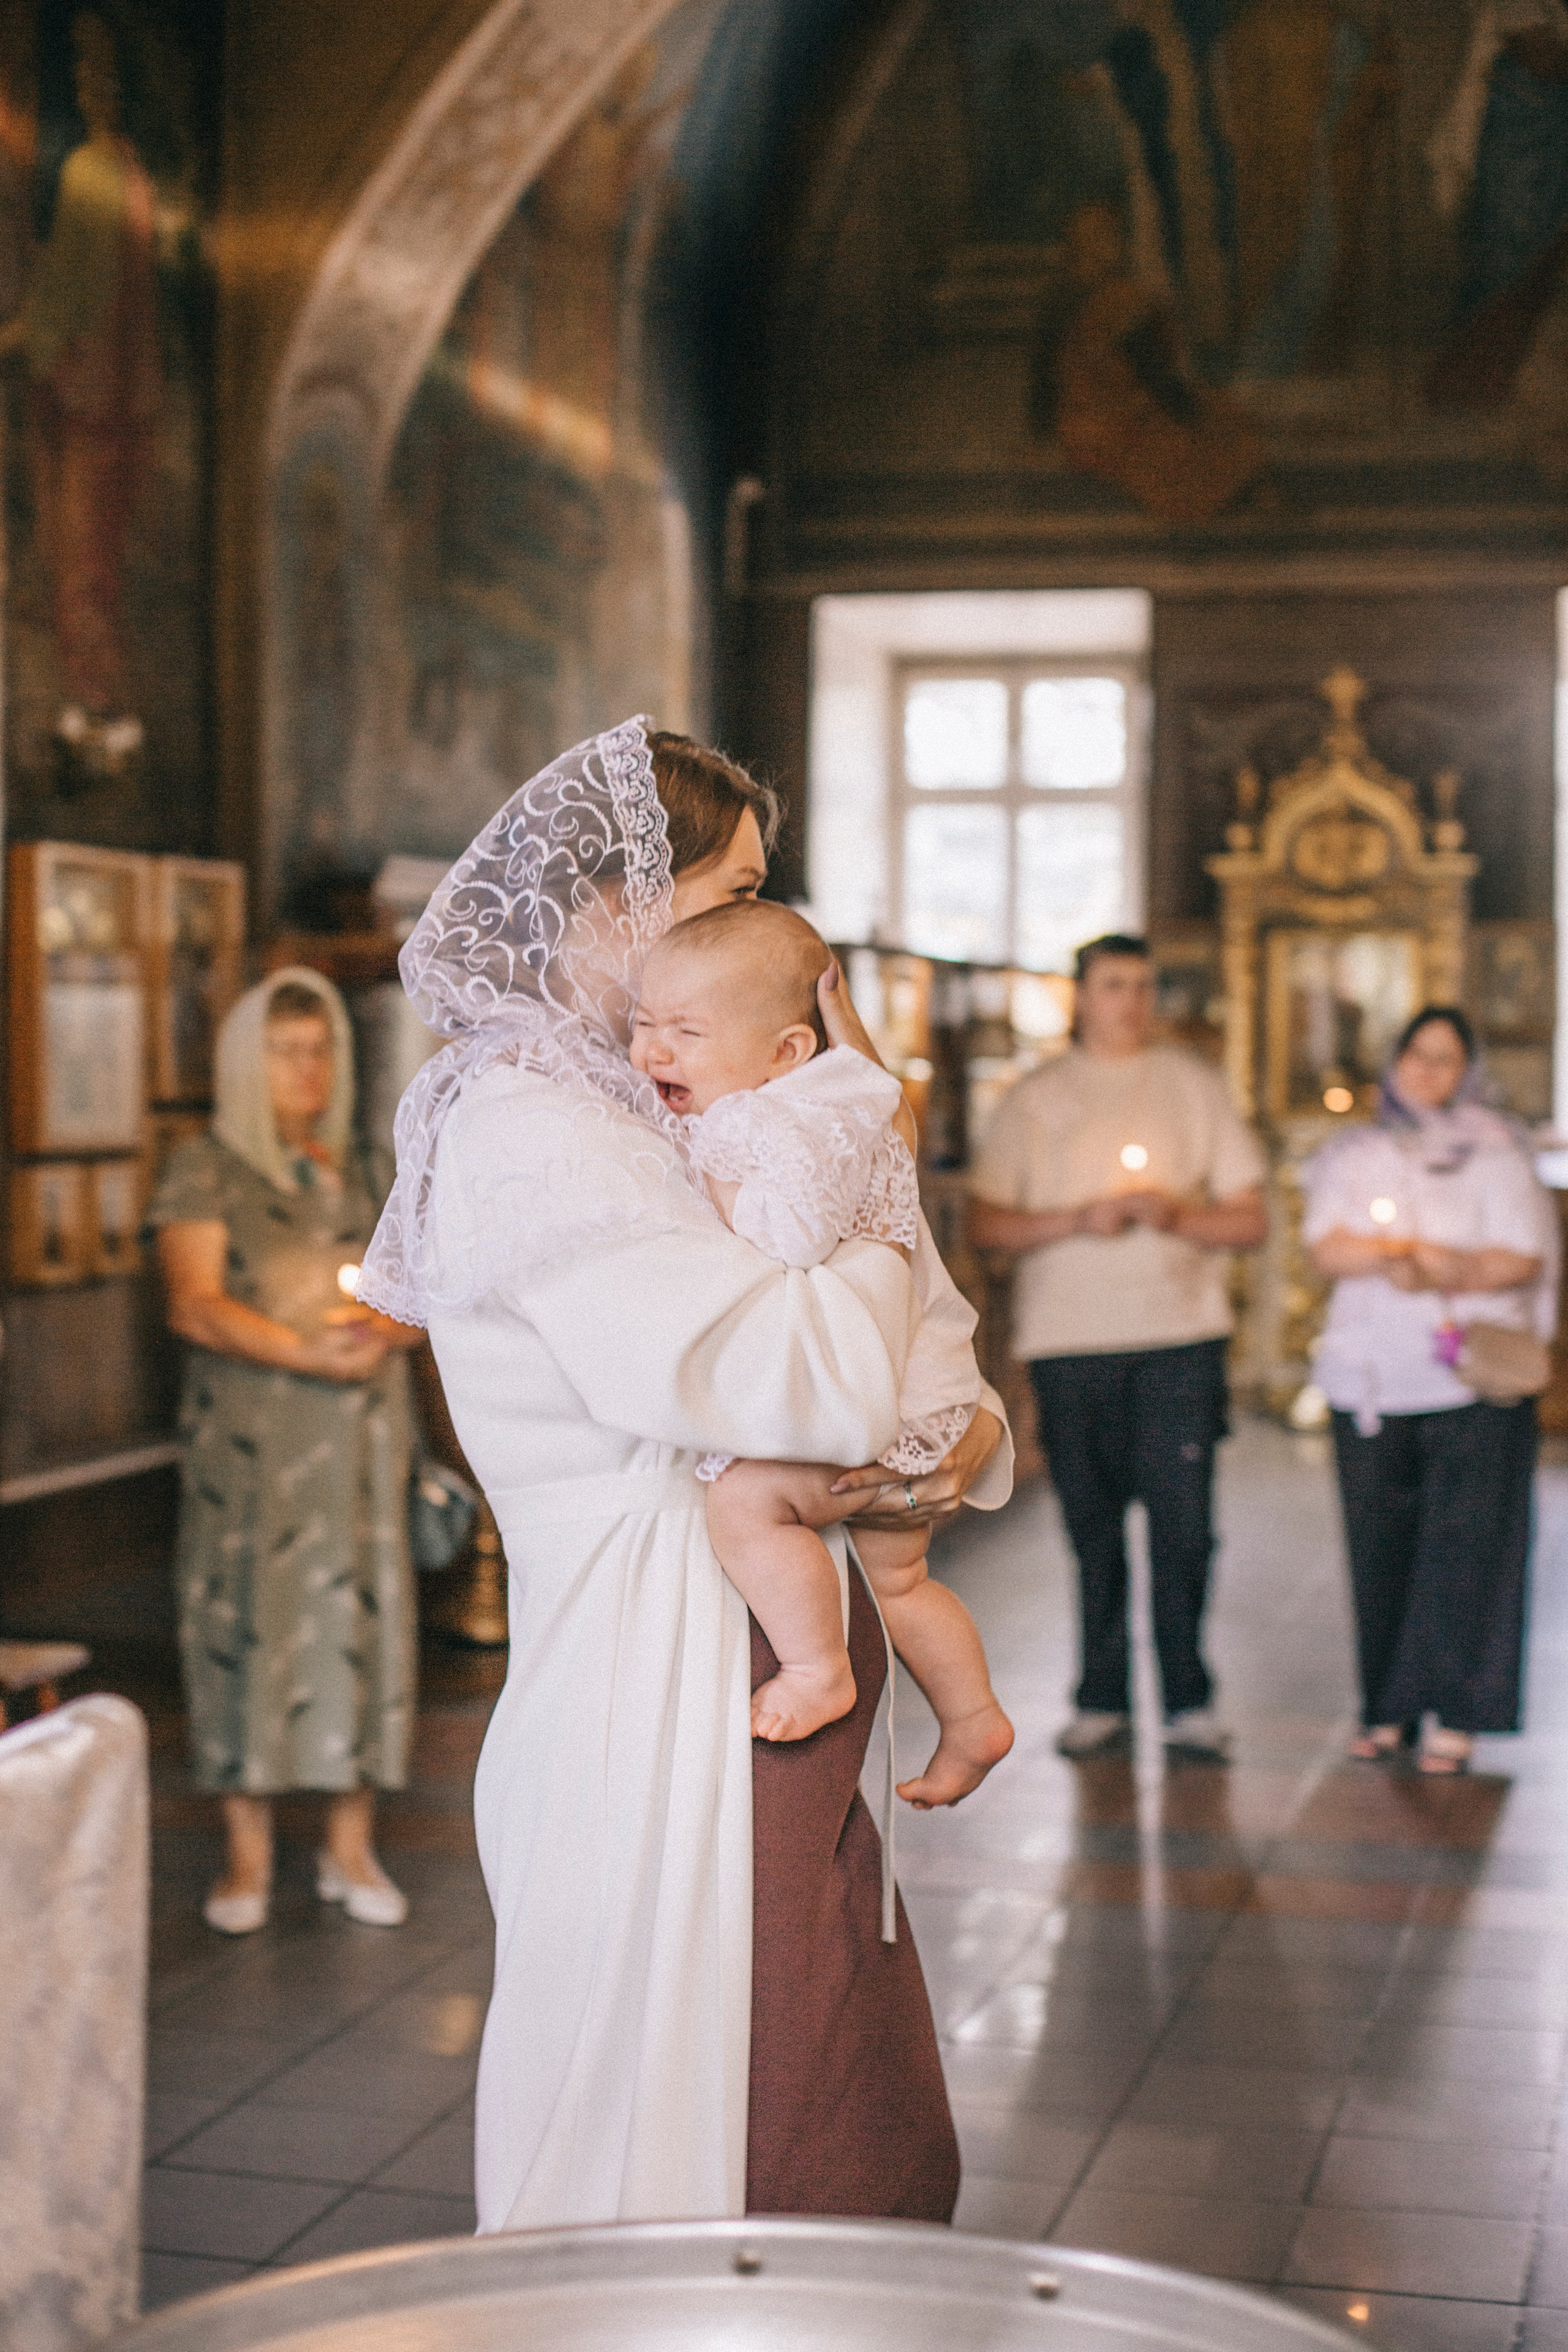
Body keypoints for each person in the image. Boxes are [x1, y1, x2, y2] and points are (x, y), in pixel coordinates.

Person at [358, 720, 1012, 2233]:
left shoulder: (665, 1102)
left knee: (830, 2099)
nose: (771, 930)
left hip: (744, 1648)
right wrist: (875, 1170)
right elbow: (797, 1374)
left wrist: (959, 1418)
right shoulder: (528, 1122)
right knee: (730, 2123)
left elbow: (899, 1362)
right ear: (614, 907)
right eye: (736, 893)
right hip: (652, 1666)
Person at [631, 899, 1014, 1804]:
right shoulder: (838, 1101)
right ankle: (973, 1717)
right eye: (643, 1025)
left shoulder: (775, 1121)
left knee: (745, 1502)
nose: (654, 1053)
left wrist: (717, 1185)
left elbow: (795, 1236)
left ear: (787, 1052)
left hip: (881, 1397)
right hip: (921, 1387)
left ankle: (816, 1668)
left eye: (687, 1032)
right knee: (902, 1580)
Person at [149, 971, 424, 1934]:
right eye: (286, 1052)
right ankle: (247, 1856)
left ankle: (351, 1847)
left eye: (321, 1050)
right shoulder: (206, 1166)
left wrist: (381, 1332)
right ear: (244, 1064)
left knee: (364, 1623)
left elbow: (426, 1295)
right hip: (254, 1444)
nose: (308, 1070)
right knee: (244, 1626)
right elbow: (194, 1304)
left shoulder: (368, 1165)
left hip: (363, 1439)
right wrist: (307, 1352)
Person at [968, 933, 1267, 1762]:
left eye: (1142, 985)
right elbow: (987, 1224)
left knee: (1184, 1528)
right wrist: (1078, 1220)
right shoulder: (1036, 1097)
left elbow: (1250, 1219)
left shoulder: (1192, 1087)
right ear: (1082, 996)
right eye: (1112, 985)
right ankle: (1101, 1696)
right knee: (1092, 1528)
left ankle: (1188, 1699)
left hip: (1179, 1337)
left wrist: (1177, 1216)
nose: (1130, 1001)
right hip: (1071, 1342)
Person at [1304, 1006, 1555, 1774]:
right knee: (1380, 1549)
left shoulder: (1496, 1152)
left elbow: (1523, 1255)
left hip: (1467, 1381)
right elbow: (1326, 1245)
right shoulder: (1357, 1150)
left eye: (1447, 1059)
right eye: (1417, 1054)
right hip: (1373, 1378)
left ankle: (1459, 1711)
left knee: (1466, 1554)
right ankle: (1387, 1705)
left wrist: (1445, 1266)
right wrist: (1396, 1253)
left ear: (1468, 1070)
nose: (1428, 1072)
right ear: (1395, 1060)